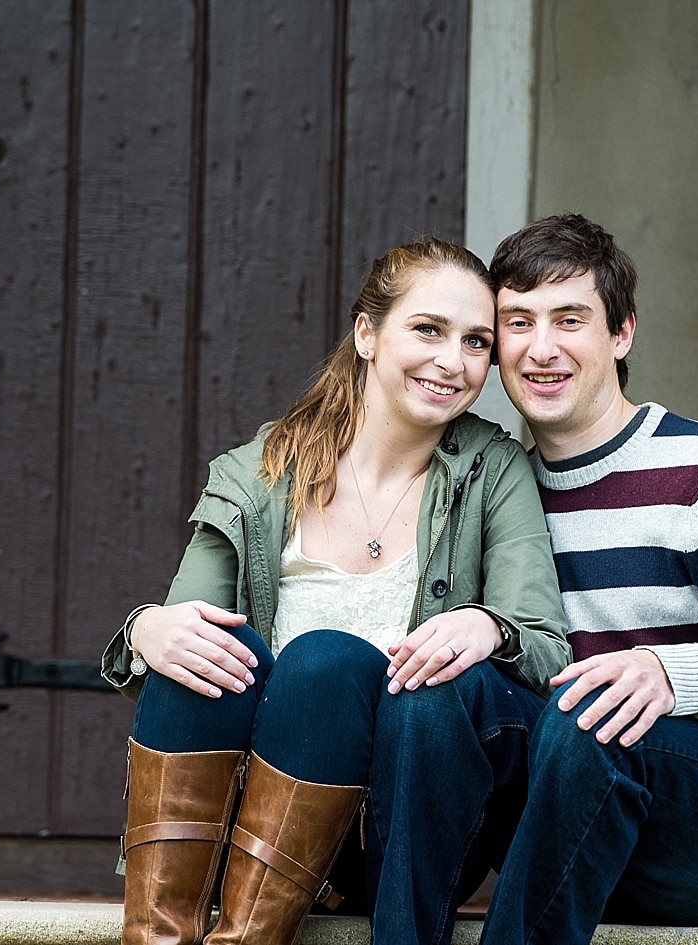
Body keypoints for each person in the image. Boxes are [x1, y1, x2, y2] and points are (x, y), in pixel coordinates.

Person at [100, 238, 570, 945]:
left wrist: (489, 627)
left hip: (399, 835)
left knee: (328, 663)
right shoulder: (258, 471)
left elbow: (544, 647)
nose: (454, 361)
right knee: (203, 645)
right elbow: (187, 634)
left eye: (477, 341)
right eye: (428, 329)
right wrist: (145, 630)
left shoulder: (492, 471)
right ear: (367, 334)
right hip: (244, 832)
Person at [480, 214, 698, 943]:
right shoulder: (495, 492)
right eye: (518, 321)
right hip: (587, 807)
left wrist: (666, 674)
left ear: (621, 333)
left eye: (569, 319)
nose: (541, 348)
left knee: (594, 706)